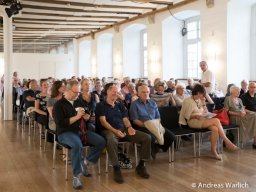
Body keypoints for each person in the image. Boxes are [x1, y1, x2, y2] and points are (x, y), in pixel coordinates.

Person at [53, 80, 105, 189]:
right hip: (65, 133)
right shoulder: (58, 105)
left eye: (78, 92)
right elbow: (60, 123)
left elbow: (86, 113)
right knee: (77, 145)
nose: (78, 95)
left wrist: (86, 117)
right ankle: (76, 176)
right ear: (67, 90)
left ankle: (86, 162)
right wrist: (77, 117)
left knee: (101, 141)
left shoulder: (78, 101)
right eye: (75, 92)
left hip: (80, 131)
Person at [95, 83, 151, 184]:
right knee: (111, 139)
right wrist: (115, 131)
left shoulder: (120, 105)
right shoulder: (100, 105)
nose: (115, 94)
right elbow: (103, 121)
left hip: (123, 129)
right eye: (113, 92)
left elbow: (125, 119)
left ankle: (141, 165)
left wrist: (129, 127)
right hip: (107, 130)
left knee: (146, 137)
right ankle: (116, 168)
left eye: (117, 93)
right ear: (107, 92)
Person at [179, 84, 238, 160]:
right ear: (197, 92)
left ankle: (213, 151)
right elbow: (186, 117)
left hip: (201, 119)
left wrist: (203, 104)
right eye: (202, 94)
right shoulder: (188, 101)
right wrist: (196, 116)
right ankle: (227, 141)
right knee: (216, 120)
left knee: (215, 129)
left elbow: (205, 112)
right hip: (192, 121)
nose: (203, 95)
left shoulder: (199, 100)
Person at [130, 84, 176, 159]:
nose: (146, 94)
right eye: (143, 92)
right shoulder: (134, 104)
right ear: (138, 94)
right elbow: (135, 120)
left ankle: (157, 146)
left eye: (147, 92)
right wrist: (148, 125)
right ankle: (152, 148)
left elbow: (158, 117)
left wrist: (154, 125)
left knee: (171, 137)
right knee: (152, 138)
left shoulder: (153, 103)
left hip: (155, 125)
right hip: (142, 127)